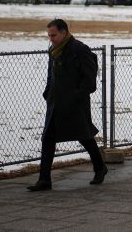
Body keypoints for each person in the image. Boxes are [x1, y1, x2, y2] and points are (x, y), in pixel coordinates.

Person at [27, 18, 107, 191]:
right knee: (48, 139)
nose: (51, 38)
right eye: (49, 35)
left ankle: (100, 168)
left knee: (84, 137)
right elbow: (51, 75)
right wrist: (48, 92)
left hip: (75, 104)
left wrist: (76, 96)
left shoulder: (80, 49)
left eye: (54, 35)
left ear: (64, 32)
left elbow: (90, 80)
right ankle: (44, 180)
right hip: (55, 103)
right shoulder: (53, 50)